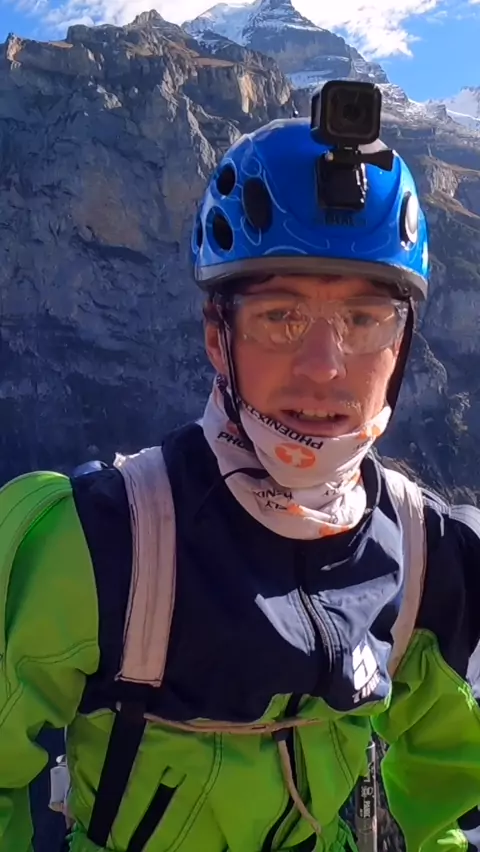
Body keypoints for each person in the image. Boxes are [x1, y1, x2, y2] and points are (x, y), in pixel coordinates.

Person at [2, 81, 480, 852]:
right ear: (216, 339)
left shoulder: (428, 557)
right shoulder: (96, 544)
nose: (324, 367)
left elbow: (456, 789)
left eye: (364, 320)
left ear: (402, 347)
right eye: (280, 317)